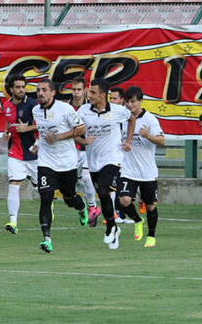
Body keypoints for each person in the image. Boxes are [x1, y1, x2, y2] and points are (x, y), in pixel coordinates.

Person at [32, 78, 90, 254]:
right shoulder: (35, 110)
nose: (40, 93)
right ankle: (46, 239)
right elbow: (42, 131)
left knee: (69, 197)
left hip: (66, 162)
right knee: (46, 196)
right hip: (46, 162)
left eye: (43, 90)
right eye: (38, 90)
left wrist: (59, 136)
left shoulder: (65, 109)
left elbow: (81, 129)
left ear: (52, 92)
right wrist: (37, 144)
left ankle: (81, 207)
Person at [77, 79, 135, 250]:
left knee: (104, 189)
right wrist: (82, 140)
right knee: (102, 194)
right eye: (89, 92)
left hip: (112, 159)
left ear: (103, 95)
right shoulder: (83, 111)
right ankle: (113, 227)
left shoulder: (118, 110)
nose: (90, 95)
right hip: (93, 161)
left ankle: (110, 226)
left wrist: (129, 141)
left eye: (93, 92)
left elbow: (132, 119)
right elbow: (73, 131)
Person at [118, 86, 164, 247]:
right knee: (123, 200)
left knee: (151, 205)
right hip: (127, 169)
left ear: (140, 102)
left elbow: (162, 141)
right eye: (127, 102)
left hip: (146, 171)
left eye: (133, 102)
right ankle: (138, 220)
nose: (130, 105)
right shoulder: (122, 119)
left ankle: (151, 236)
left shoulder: (150, 119)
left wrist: (148, 135)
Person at [3, 75, 38, 235]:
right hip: (15, 152)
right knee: (13, 185)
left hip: (33, 152)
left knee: (42, 190)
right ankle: (13, 221)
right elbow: (9, 122)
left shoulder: (33, 105)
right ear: (11, 89)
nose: (21, 90)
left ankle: (51, 210)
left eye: (23, 87)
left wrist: (27, 128)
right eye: (18, 87)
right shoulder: (7, 105)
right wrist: (6, 131)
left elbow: (42, 125)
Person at [68, 77, 100, 223]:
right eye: (73, 89)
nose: (76, 93)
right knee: (70, 186)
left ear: (85, 91)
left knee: (87, 178)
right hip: (70, 151)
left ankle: (92, 207)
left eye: (79, 90)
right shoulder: (66, 108)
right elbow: (67, 133)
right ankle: (81, 207)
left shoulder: (90, 107)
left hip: (88, 151)